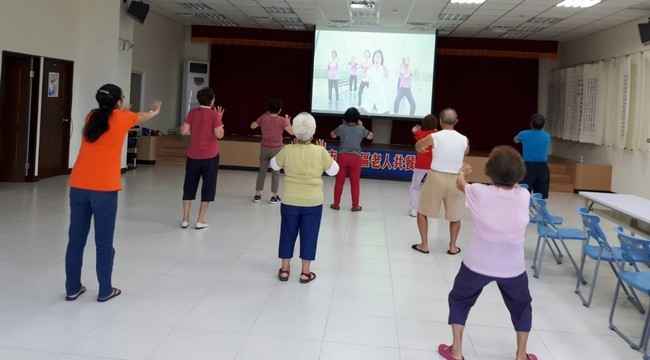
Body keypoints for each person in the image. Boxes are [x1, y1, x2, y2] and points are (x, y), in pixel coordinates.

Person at [65, 84, 161, 303]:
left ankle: (72, 288)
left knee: (75, 240)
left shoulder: (92, 116)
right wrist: (154, 111)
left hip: (79, 185)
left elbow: (113, 118)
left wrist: (121, 111)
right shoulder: (122, 118)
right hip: (104, 190)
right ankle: (105, 290)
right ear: (118, 102)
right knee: (104, 243)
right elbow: (143, 117)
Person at [438, 145, 535, 360]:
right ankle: (521, 355)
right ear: (519, 173)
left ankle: (456, 350)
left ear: (490, 171)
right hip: (514, 268)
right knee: (521, 307)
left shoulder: (479, 192)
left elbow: (460, 183)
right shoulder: (524, 196)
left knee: (459, 299)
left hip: (478, 264)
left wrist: (462, 173)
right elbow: (514, 185)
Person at [271, 112, 339, 283]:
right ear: (313, 131)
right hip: (313, 202)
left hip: (289, 201)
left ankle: (285, 269)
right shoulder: (320, 151)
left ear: (294, 130)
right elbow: (334, 171)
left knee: (287, 233)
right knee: (310, 235)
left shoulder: (287, 150)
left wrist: (289, 153)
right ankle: (305, 272)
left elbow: (274, 165)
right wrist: (324, 152)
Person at [412, 108, 468, 255]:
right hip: (456, 179)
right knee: (455, 215)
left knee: (423, 211)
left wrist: (422, 149)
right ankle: (453, 246)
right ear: (456, 122)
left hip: (436, 177)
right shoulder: (464, 139)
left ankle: (424, 245)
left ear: (441, 121)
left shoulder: (435, 136)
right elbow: (466, 151)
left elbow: (419, 145)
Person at [180, 87, 225, 229]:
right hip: (210, 156)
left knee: (189, 186)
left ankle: (185, 219)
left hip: (193, 155)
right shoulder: (214, 115)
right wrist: (219, 119)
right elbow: (220, 135)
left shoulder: (192, 112)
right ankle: (200, 219)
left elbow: (183, 131)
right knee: (208, 186)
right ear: (212, 100)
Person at [329, 107, 374, 212]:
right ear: (358, 119)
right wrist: (362, 127)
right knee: (355, 183)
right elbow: (371, 136)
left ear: (345, 118)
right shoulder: (361, 129)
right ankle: (355, 206)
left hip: (342, 157)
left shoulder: (342, 127)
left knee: (339, 182)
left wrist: (342, 124)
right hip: (355, 158)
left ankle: (336, 204)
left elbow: (332, 135)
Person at [250, 99, 294, 204]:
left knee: (262, 171)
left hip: (264, 148)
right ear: (279, 110)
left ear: (269, 109)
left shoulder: (263, 118)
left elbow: (252, 126)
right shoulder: (283, 120)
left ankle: (257, 195)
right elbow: (292, 132)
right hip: (277, 150)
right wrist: (288, 122)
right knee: (276, 173)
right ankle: (274, 196)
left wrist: (261, 119)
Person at [513, 113, 551, 199]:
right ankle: (539, 211)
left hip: (528, 167)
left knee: (523, 194)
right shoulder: (547, 136)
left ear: (531, 123)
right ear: (543, 125)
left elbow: (515, 140)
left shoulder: (524, 134)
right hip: (543, 168)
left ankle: (524, 211)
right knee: (540, 197)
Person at [408, 114, 438, 217]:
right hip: (433, 166)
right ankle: (431, 210)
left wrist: (415, 130)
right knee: (432, 188)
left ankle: (413, 209)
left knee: (414, 187)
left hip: (420, 165)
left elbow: (415, 131)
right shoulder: (438, 135)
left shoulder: (420, 134)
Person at [360, 49, 389, 114]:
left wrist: (386, 74)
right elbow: (366, 78)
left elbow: (386, 76)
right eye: (376, 57)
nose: (377, 59)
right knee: (364, 113)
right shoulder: (371, 68)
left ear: (381, 59)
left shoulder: (383, 69)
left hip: (380, 98)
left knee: (385, 114)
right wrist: (364, 74)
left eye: (379, 57)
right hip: (370, 97)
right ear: (373, 59)